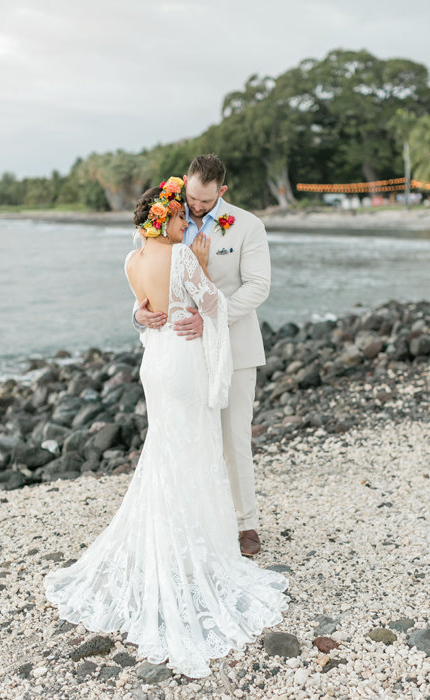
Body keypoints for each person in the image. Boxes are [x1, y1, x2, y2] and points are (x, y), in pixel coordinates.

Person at [44, 177, 288, 679]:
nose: (188, 216)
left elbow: (152, 298)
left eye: (193, 208)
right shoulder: (181, 254)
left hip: (155, 366)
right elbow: (206, 304)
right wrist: (191, 274)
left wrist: (150, 303)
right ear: (168, 218)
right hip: (182, 361)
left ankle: (202, 533)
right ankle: (196, 544)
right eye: (182, 213)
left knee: (168, 449)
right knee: (193, 449)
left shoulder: (136, 257)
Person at [133, 154, 270, 557]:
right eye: (191, 198)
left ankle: (247, 525)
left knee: (232, 440)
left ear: (221, 192)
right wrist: (139, 313)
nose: (195, 208)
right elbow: (142, 275)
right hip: (183, 355)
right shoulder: (163, 222)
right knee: (189, 438)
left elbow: (258, 287)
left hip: (235, 349)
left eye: (206, 202)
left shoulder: (248, 226)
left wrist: (212, 320)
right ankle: (202, 521)